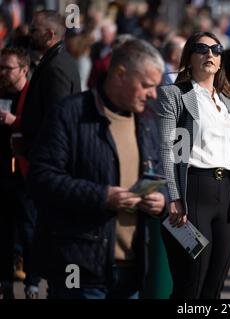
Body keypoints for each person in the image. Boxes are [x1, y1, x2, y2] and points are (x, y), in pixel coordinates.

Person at [27, 39, 166, 299]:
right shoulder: (70, 114)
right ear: (120, 74)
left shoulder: (148, 121)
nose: (153, 95)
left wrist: (163, 201)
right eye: (147, 85)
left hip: (132, 272)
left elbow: (160, 174)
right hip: (79, 268)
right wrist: (102, 196)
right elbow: (41, 178)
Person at [155, 31, 230, 299]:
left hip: (227, 194)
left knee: (215, 285)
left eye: (216, 49)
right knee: (191, 283)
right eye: (202, 49)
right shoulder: (174, 95)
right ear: (188, 58)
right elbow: (167, 149)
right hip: (193, 193)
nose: (210, 54)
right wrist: (174, 196)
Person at [0, 46, 42, 299]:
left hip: (26, 172)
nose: (3, 73)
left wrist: (14, 121)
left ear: (24, 70)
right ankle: (4, 280)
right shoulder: (1, 91)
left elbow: (41, 126)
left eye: (8, 68)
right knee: (3, 228)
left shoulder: (33, 95)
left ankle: (33, 282)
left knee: (28, 228)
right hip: (4, 172)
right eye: (1, 68)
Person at [20, 10, 81, 158]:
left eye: (34, 30)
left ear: (49, 35)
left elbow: (57, 119)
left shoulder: (56, 67)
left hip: (48, 156)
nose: (29, 33)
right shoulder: (55, 60)